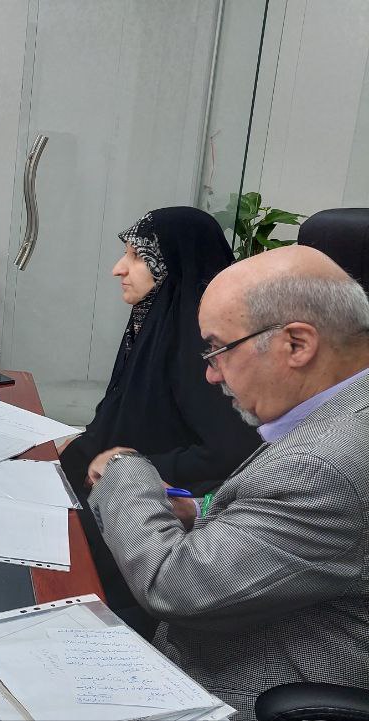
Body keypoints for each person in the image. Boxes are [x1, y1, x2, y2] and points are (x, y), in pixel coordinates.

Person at [88, 245, 369, 718]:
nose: (210, 373)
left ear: (297, 344)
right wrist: (198, 509)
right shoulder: (346, 410)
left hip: (242, 687)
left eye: (219, 349)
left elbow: (173, 584)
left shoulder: (323, 463)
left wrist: (123, 469)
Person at [59, 207, 260, 496]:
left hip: (156, 504)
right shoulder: (157, 318)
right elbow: (119, 409)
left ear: (173, 265)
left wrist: (125, 468)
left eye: (138, 256)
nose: (118, 269)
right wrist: (87, 446)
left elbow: (228, 452)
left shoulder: (204, 342)